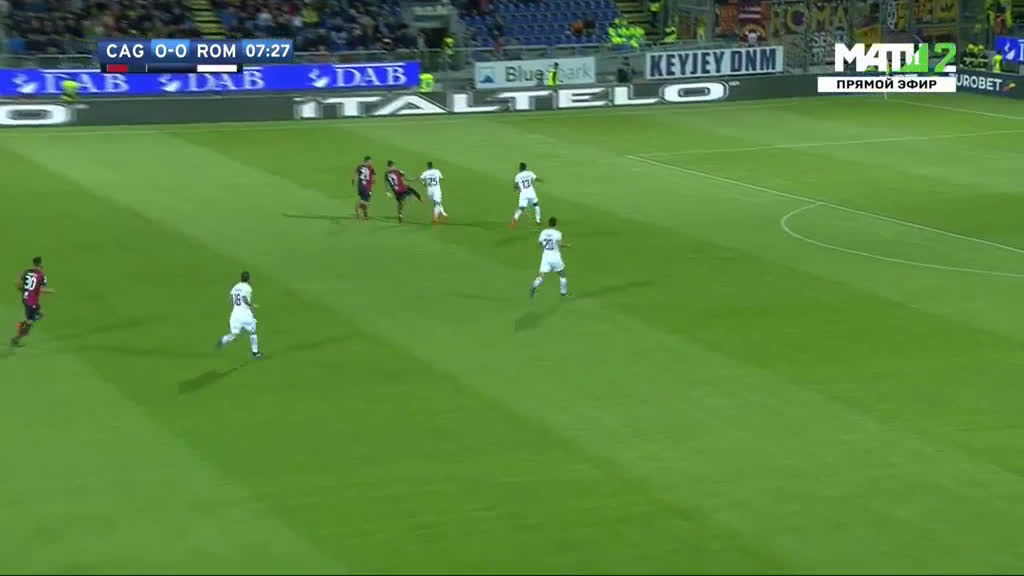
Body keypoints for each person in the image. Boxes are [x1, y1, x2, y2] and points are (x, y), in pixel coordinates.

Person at [216, 271, 262, 358]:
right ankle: (255, 352)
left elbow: (230, 297)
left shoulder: (236, 286)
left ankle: (224, 339)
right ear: (248, 279)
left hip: (235, 315)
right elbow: (244, 298)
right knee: (253, 332)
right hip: (245, 314)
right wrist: (251, 306)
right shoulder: (248, 288)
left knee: (234, 335)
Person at [11, 256, 53, 348]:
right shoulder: (42, 275)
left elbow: (18, 285)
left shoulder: (27, 272)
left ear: (33, 263)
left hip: (25, 299)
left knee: (38, 315)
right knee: (31, 321)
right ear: (41, 264)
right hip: (32, 302)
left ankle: (20, 331)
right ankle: (17, 336)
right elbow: (42, 289)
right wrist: (50, 291)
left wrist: (23, 288)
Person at [530, 217, 569, 298]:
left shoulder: (543, 232)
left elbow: (540, 243)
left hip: (546, 257)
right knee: (562, 275)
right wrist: (567, 245)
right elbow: (559, 244)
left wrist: (544, 249)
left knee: (541, 276)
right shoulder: (557, 233)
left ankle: (535, 284)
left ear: (549, 224)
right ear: (556, 224)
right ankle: (564, 293)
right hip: (555, 257)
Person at [512, 161, 541, 228]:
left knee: (521, 208)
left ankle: (514, 221)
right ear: (526, 167)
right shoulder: (529, 173)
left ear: (520, 168)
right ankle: (538, 220)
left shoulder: (518, 176)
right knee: (536, 205)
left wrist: (517, 189)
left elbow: (515, 186)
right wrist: (541, 180)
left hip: (523, 194)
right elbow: (536, 178)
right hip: (531, 192)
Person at [353, 155, 375, 220]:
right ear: (367, 161)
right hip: (367, 186)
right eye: (370, 161)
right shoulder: (371, 168)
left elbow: (355, 174)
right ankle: (359, 209)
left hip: (360, 186)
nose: (371, 162)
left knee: (364, 200)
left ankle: (364, 215)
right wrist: (372, 185)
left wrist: (353, 180)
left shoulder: (359, 166)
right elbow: (373, 177)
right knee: (366, 201)